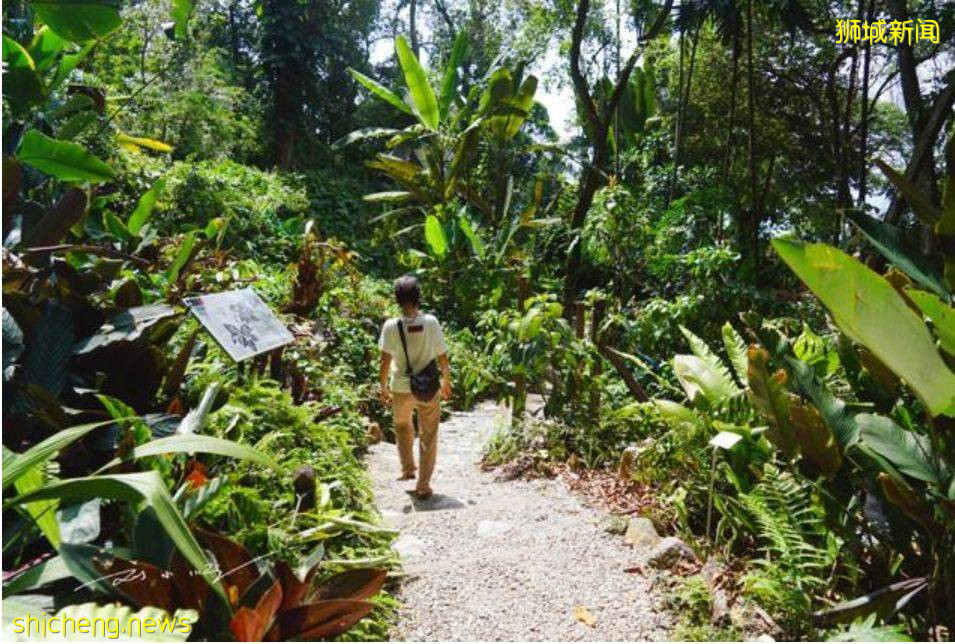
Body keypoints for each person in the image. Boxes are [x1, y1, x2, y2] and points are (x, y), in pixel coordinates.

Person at [378, 274, 452, 499]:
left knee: (402, 424)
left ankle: (408, 467)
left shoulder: (391, 326)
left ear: (397, 299)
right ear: (418, 297)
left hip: (401, 386)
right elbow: (442, 357)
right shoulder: (430, 322)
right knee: (428, 434)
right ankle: (423, 484)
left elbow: (384, 361)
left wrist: (383, 387)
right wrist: (447, 381)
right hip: (428, 386)